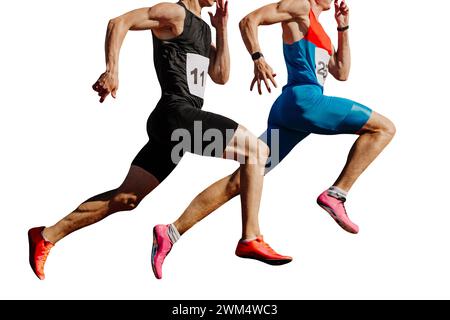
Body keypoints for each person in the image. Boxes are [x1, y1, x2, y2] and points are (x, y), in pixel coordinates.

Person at [28, 0, 292, 281]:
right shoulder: (174, 13)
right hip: (175, 114)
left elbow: (221, 75)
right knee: (257, 151)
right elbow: (119, 23)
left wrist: (222, 28)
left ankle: (45, 235)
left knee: (126, 198)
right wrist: (112, 70)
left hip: (175, 126)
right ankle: (250, 236)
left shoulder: (202, 28)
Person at [151, 0, 396, 276]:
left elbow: (342, 71)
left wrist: (343, 28)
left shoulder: (320, 28)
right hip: (305, 102)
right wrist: (258, 58)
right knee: (383, 128)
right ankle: (336, 194)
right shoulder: (299, 6)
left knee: (240, 181)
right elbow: (249, 21)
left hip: (291, 113)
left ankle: (170, 232)